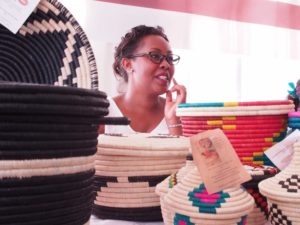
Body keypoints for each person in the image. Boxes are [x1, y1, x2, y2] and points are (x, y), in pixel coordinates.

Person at [99, 25, 186, 135]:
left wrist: (174, 122)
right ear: (128, 64)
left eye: (170, 58)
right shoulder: (104, 113)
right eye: (155, 55)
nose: (166, 64)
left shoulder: (179, 112)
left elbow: (182, 152)